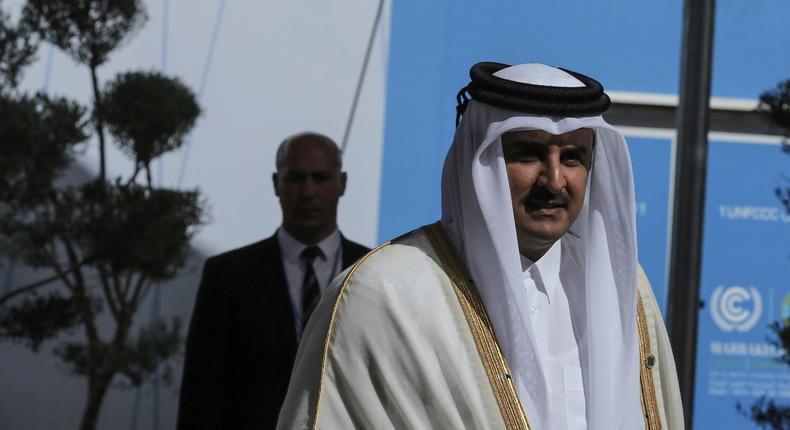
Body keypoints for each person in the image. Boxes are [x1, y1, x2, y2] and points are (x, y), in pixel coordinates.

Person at [276, 63, 684, 429]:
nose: (554, 180)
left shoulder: (622, 289)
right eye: (529, 154)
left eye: (574, 157)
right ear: (480, 159)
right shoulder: (386, 292)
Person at [177, 132, 370, 429]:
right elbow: (201, 393)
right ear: (276, 184)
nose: (307, 191)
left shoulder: (370, 272)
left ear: (341, 183)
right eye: (295, 178)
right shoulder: (228, 275)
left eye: (320, 178)